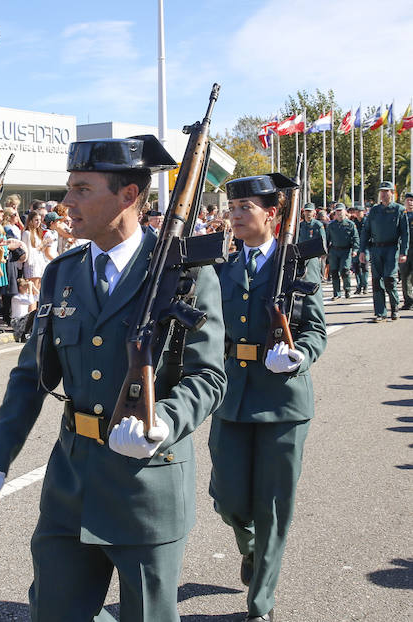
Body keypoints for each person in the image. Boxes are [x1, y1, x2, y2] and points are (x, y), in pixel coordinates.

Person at [0, 136, 226, 622]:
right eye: (69, 189)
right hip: (71, 482)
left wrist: (162, 420)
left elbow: (207, 377)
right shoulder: (63, 273)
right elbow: (29, 378)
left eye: (82, 189)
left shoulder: (186, 274)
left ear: (128, 196)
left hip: (146, 486)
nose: (67, 203)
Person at [210, 174, 327, 622]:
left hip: (282, 400)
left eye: (244, 208)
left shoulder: (297, 263)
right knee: (229, 499)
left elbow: (314, 329)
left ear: (271, 214)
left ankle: (261, 604)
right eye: (232, 207)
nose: (235, 215)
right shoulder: (223, 264)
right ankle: (251, 547)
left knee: (273, 507)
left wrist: (299, 356)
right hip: (232, 397)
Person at [359, 181, 409, 321]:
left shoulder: (399, 210)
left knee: (389, 279)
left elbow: (405, 233)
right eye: (382, 191)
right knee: (376, 281)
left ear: (392, 193)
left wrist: (403, 252)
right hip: (376, 249)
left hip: (392, 249)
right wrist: (362, 250)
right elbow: (366, 231)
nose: (383, 194)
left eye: (386, 191)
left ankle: (394, 307)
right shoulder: (374, 210)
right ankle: (380, 313)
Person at [326, 204, 359, 300]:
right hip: (334, 250)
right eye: (337, 211)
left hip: (346, 250)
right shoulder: (331, 225)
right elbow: (327, 239)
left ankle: (347, 290)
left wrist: (355, 249)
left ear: (345, 212)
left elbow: (355, 237)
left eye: (341, 211)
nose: (339, 213)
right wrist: (325, 250)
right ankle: (336, 293)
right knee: (334, 271)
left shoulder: (350, 224)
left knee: (345, 270)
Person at [349, 205, 369, 294]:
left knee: (364, 266)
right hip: (356, 247)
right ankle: (359, 285)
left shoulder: (367, 222)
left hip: (366, 246)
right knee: (356, 267)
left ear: (363, 212)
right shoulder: (353, 223)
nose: (357, 213)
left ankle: (365, 285)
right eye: (356, 212)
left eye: (359, 211)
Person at [398, 192, 413, 309]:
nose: (410, 202)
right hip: (405, 249)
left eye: (412, 200)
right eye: (408, 200)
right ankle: (408, 301)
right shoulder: (401, 216)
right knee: (405, 275)